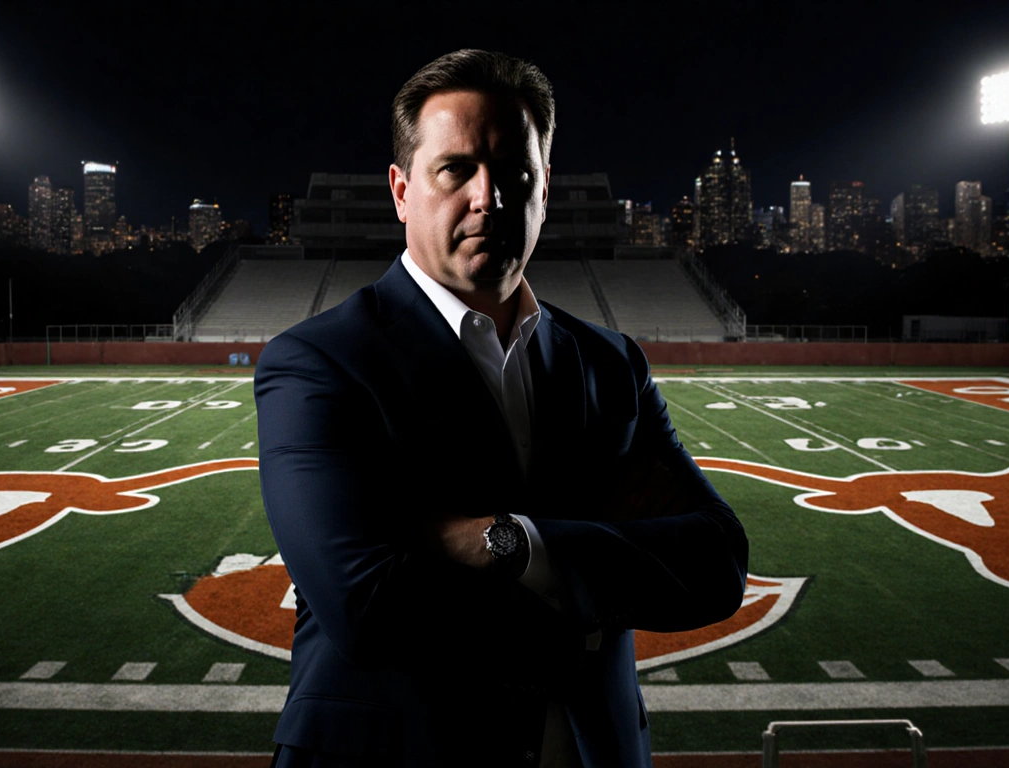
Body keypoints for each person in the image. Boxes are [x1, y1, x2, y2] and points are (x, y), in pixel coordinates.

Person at [254, 49, 748, 768]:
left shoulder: (611, 364)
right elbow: (369, 611)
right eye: (455, 169)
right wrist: (600, 562)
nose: (490, 197)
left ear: (544, 188)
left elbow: (718, 564)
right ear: (401, 191)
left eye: (515, 172)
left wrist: (508, 542)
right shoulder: (321, 363)